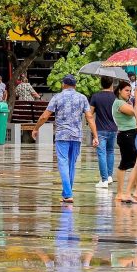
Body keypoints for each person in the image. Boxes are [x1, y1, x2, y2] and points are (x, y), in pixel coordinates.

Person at [32, 75, 97, 204]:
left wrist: (36, 128)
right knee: (71, 164)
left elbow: (45, 116)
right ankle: (67, 193)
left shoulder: (57, 97)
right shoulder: (82, 98)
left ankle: (67, 194)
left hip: (62, 135)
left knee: (63, 163)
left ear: (63, 84)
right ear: (75, 85)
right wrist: (95, 135)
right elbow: (90, 117)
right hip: (76, 136)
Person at [112, 80, 137, 203]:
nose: (129, 93)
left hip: (131, 134)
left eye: (130, 91)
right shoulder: (118, 103)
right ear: (119, 91)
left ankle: (134, 191)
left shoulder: (125, 102)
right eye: (127, 90)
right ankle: (121, 193)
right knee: (127, 164)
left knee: (134, 164)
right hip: (126, 135)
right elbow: (135, 112)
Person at [89, 76, 118, 188]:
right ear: (111, 84)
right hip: (113, 128)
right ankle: (109, 176)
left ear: (101, 84)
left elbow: (90, 114)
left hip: (100, 129)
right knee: (110, 152)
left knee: (101, 153)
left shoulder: (96, 96)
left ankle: (104, 180)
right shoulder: (115, 97)